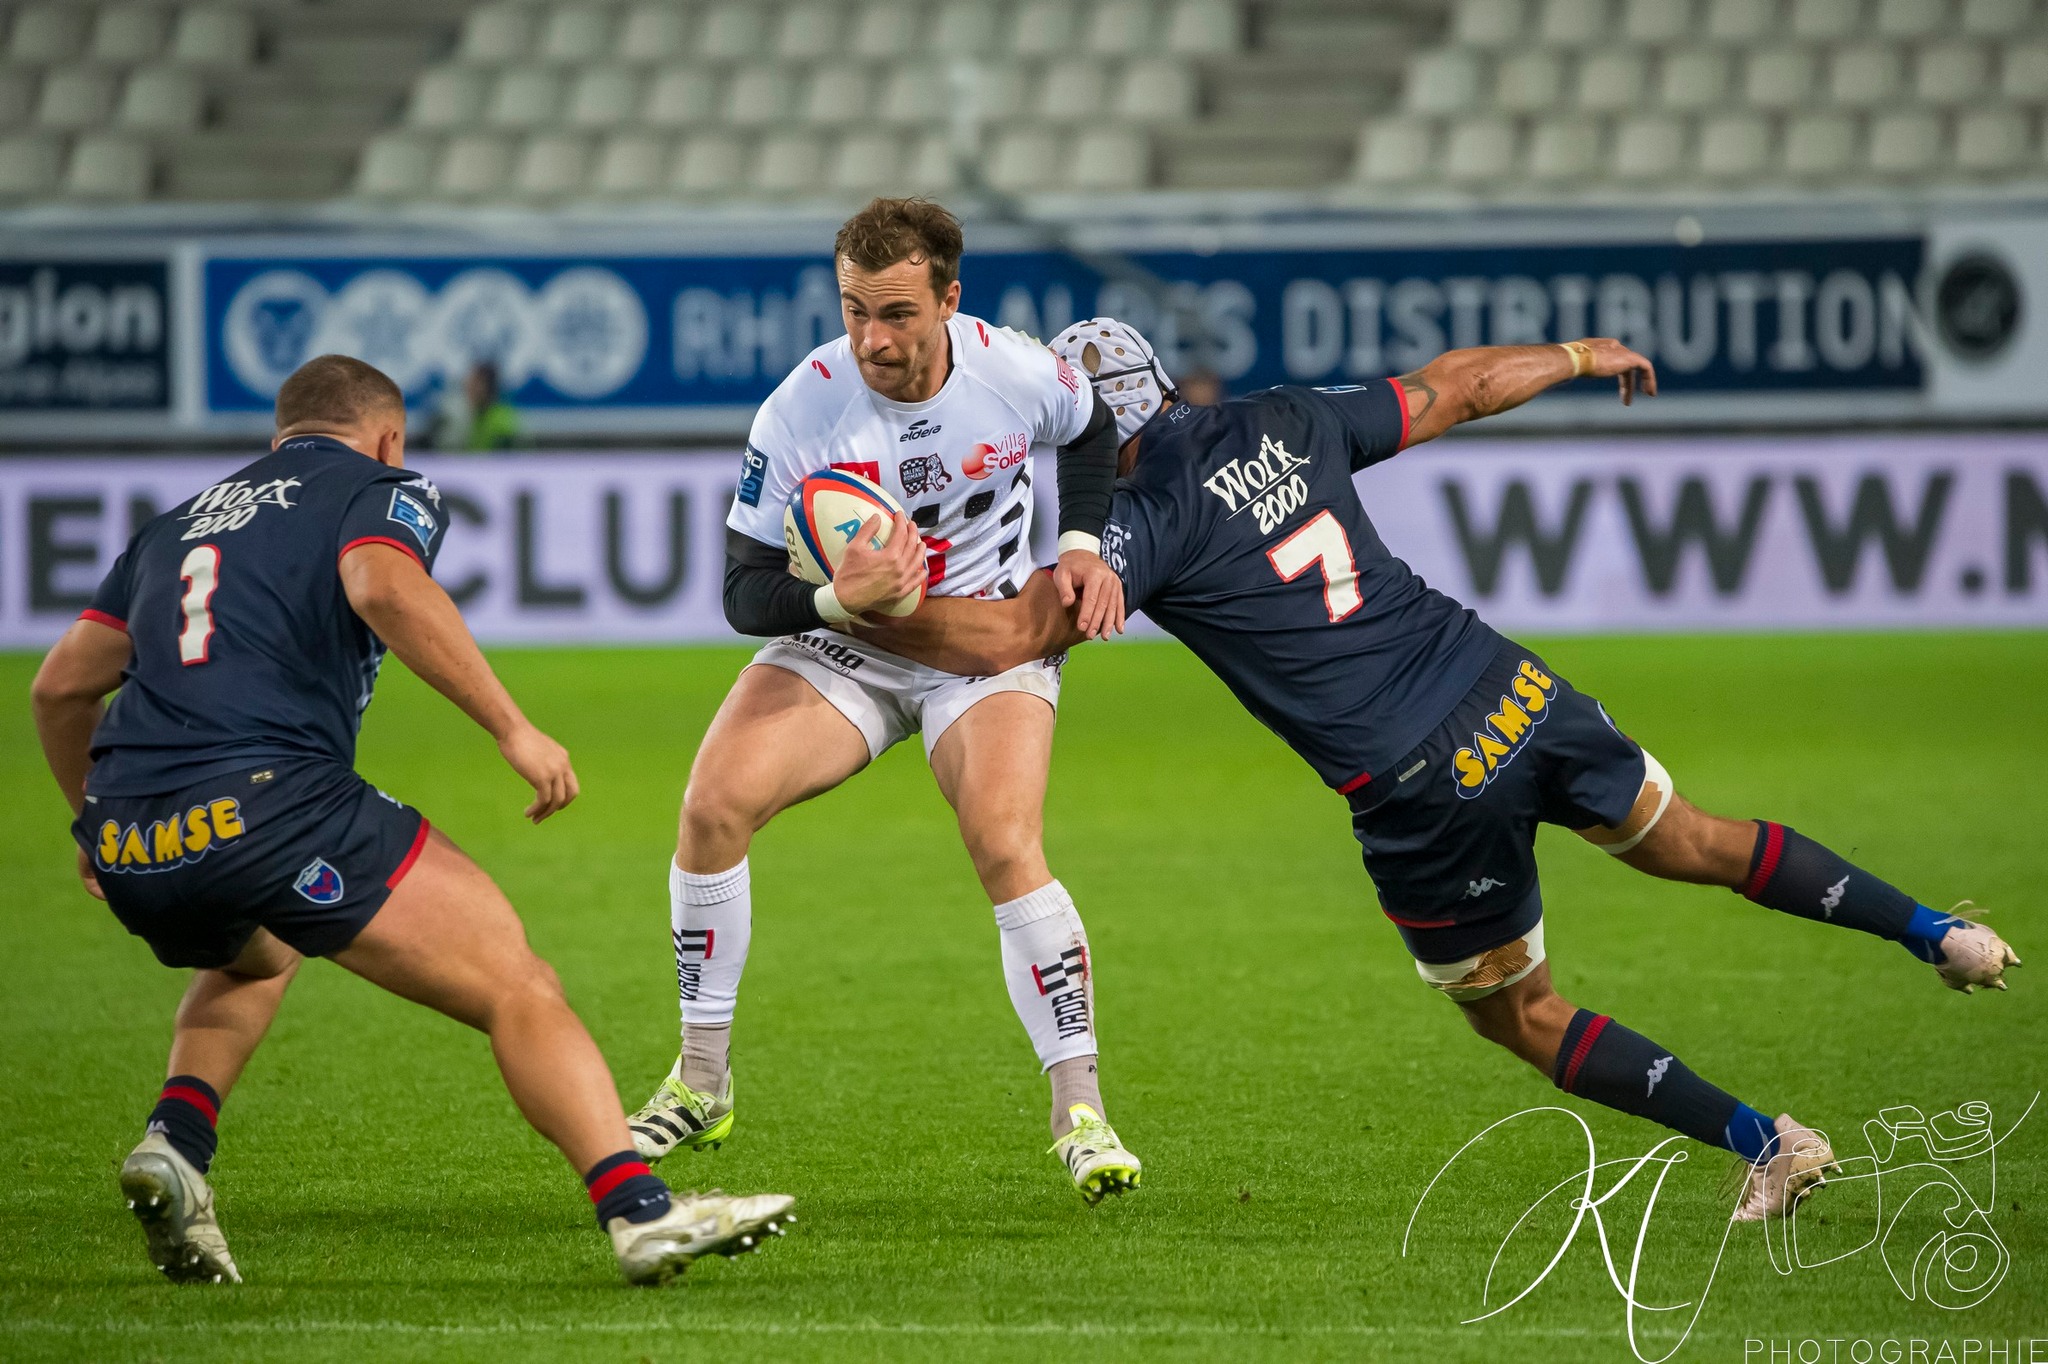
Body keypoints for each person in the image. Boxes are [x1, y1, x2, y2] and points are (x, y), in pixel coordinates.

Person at [851, 317, 2022, 1223]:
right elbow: (1455, 386)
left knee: (1522, 1013)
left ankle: (1768, 1140)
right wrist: (1575, 355)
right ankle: (1939, 932)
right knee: (1696, 839)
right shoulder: (1290, 416)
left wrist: (869, 607)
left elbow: (1010, 638)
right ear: (1160, 380)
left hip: (1416, 780)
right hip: (1507, 687)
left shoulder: (1133, 523)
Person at [29, 354, 794, 1287]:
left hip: (135, 839)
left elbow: (59, 688)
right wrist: (512, 728)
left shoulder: (174, 524)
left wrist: (92, 825)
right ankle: (641, 1213)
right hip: (270, 802)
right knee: (516, 984)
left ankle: (175, 1144)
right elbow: (383, 587)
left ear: (280, 434)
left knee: (258, 952)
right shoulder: (378, 487)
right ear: (387, 437)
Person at [626, 197, 1145, 1204]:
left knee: (1004, 841)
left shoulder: (1011, 370)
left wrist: (1080, 545)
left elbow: (1091, 426)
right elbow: (741, 590)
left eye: (898, 312)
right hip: (849, 645)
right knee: (711, 807)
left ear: (949, 301)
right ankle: (701, 1079)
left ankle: (1080, 1111)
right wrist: (835, 599)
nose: (872, 338)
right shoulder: (800, 409)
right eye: (855, 310)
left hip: (982, 648)